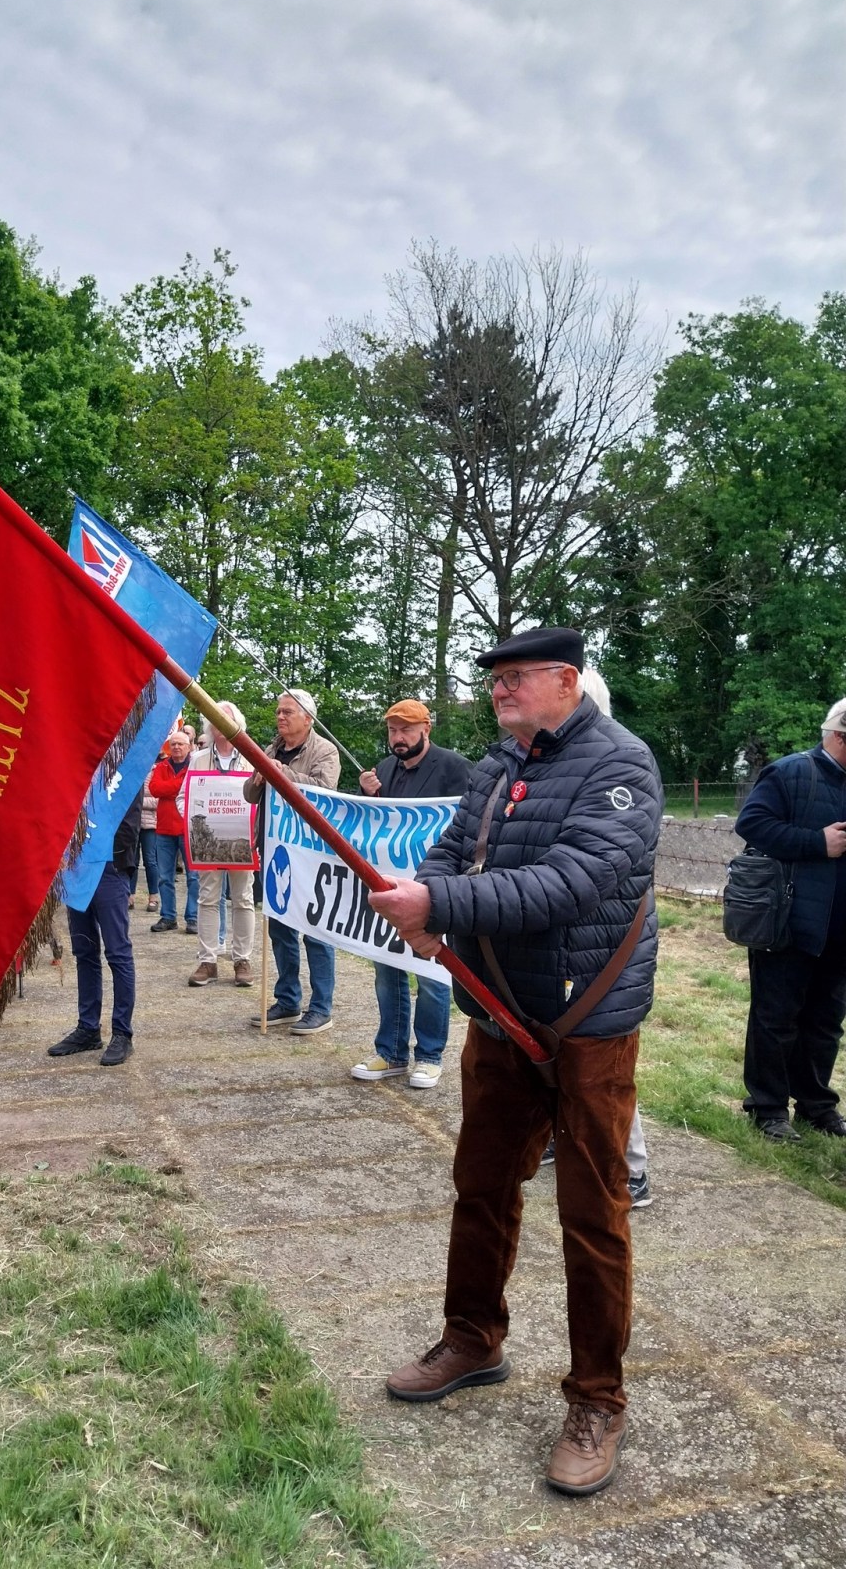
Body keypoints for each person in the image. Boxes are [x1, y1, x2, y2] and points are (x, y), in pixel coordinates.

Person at [370, 627, 662, 1498]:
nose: (499, 688)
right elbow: (451, 851)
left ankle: (596, 1399)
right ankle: (472, 1339)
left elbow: (573, 883)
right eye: (494, 677)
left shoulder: (624, 765)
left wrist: (441, 902)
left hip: (589, 1024)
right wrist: (432, 892)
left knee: (593, 1211)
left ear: (567, 680)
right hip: (498, 1018)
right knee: (481, 1185)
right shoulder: (499, 766)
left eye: (516, 676)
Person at [535, 669, 654, 1210]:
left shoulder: (618, 764)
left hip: (599, 960)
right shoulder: (534, 765)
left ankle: (630, 1171)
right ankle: (561, 1141)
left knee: (602, 1080)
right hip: (548, 959)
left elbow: (577, 875)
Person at [734, 697, 846, 1141]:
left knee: (824, 1022)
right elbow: (752, 824)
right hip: (787, 922)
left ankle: (816, 1106)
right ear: (840, 735)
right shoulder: (791, 772)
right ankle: (768, 1109)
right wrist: (815, 842)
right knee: (775, 1019)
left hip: (838, 931)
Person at [351, 699, 470, 1088]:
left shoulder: (454, 768)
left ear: (426, 729)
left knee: (431, 972)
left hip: (433, 889)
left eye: (405, 730)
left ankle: (430, 1055)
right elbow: (372, 829)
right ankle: (391, 1052)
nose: (398, 738)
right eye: (392, 731)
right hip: (389, 889)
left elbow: (469, 825)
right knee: (387, 968)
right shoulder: (383, 770)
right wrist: (367, 795)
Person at [243, 688, 341, 1034]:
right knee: (280, 928)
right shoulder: (270, 749)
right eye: (278, 712)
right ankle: (287, 999)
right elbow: (250, 795)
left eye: (287, 712)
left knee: (315, 930)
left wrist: (281, 772)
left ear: (307, 719)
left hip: (309, 852)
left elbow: (324, 791)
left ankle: (321, 1007)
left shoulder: (324, 751)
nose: (280, 717)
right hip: (274, 850)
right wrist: (259, 777)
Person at [48, 790, 141, 1066]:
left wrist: (113, 860)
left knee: (117, 953)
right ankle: (88, 1028)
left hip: (108, 867)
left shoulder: (124, 762)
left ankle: (122, 1033)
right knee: (84, 952)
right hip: (75, 868)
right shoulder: (79, 763)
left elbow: (128, 822)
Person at [184, 701, 257, 989]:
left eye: (226, 719)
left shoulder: (251, 757)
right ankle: (208, 961)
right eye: (215, 719)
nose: (221, 725)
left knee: (243, 899)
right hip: (207, 842)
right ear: (209, 726)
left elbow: (262, 798)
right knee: (208, 899)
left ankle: (242, 960)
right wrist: (191, 820)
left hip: (243, 841)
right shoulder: (198, 759)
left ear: (237, 722)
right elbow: (184, 798)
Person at [149, 731, 198, 935]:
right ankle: (168, 916)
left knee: (193, 876)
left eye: (181, 744)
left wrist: (169, 788)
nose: (177, 747)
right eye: (174, 744)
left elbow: (192, 788)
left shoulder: (194, 767)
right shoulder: (162, 766)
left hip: (188, 828)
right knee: (164, 877)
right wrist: (178, 787)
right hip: (164, 829)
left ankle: (192, 917)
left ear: (189, 746)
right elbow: (154, 789)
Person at [139, 771, 162, 913]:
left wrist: (138, 801)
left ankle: (153, 896)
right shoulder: (131, 771)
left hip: (149, 825)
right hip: (132, 823)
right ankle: (130, 895)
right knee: (131, 861)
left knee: (150, 860)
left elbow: (158, 800)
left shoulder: (154, 772)